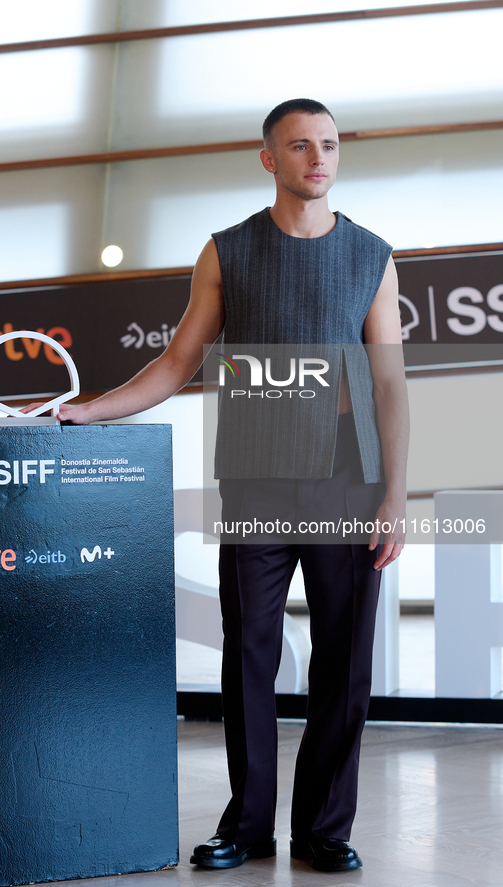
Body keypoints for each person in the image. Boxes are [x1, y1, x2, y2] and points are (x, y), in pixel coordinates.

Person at [23, 98, 408, 873]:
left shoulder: (371, 254)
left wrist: (394, 495)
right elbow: (175, 363)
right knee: (248, 658)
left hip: (345, 479)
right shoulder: (226, 251)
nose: (317, 158)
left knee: (344, 661)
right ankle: (249, 824)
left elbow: (390, 384)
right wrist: (87, 410)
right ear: (269, 159)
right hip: (256, 479)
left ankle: (326, 828)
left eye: (328, 145)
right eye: (299, 146)